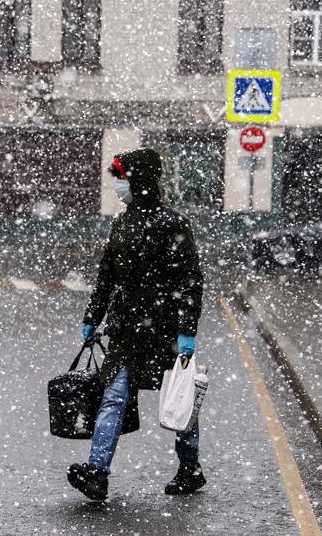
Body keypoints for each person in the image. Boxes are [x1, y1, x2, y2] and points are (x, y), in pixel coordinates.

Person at [68, 148, 205, 501]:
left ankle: (190, 469)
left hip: (165, 329)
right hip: (127, 329)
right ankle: (97, 473)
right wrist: (91, 318)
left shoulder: (172, 224)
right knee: (113, 396)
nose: (117, 186)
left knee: (178, 398)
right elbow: (106, 276)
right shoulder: (122, 222)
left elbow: (190, 280)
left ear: (139, 180)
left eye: (121, 178)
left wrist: (187, 330)